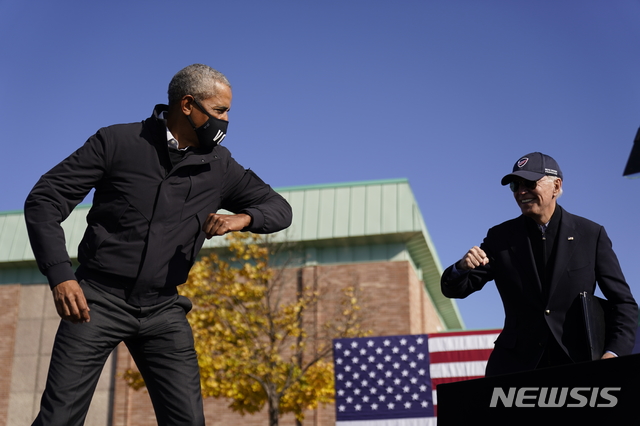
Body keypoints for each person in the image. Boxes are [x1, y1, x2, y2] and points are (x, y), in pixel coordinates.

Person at [24, 64, 292, 426]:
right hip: (96, 301)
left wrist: (241, 218)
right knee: (59, 419)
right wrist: (60, 275)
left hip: (163, 309)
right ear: (187, 105)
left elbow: (279, 209)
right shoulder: (117, 142)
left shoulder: (219, 165)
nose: (227, 120)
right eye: (219, 110)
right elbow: (45, 199)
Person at [441, 152, 637, 376]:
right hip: (515, 367)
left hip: (579, 365)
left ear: (556, 186)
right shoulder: (500, 237)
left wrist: (613, 353)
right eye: (515, 185)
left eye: (530, 183)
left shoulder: (591, 234)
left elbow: (624, 304)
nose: (521, 192)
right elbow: (456, 289)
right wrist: (461, 268)